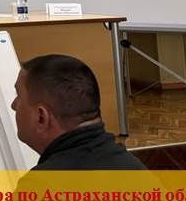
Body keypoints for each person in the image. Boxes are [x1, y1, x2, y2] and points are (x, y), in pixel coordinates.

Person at [12, 54, 145, 170]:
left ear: (41, 117)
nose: (13, 105)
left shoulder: (41, 185)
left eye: (19, 96)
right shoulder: (133, 167)